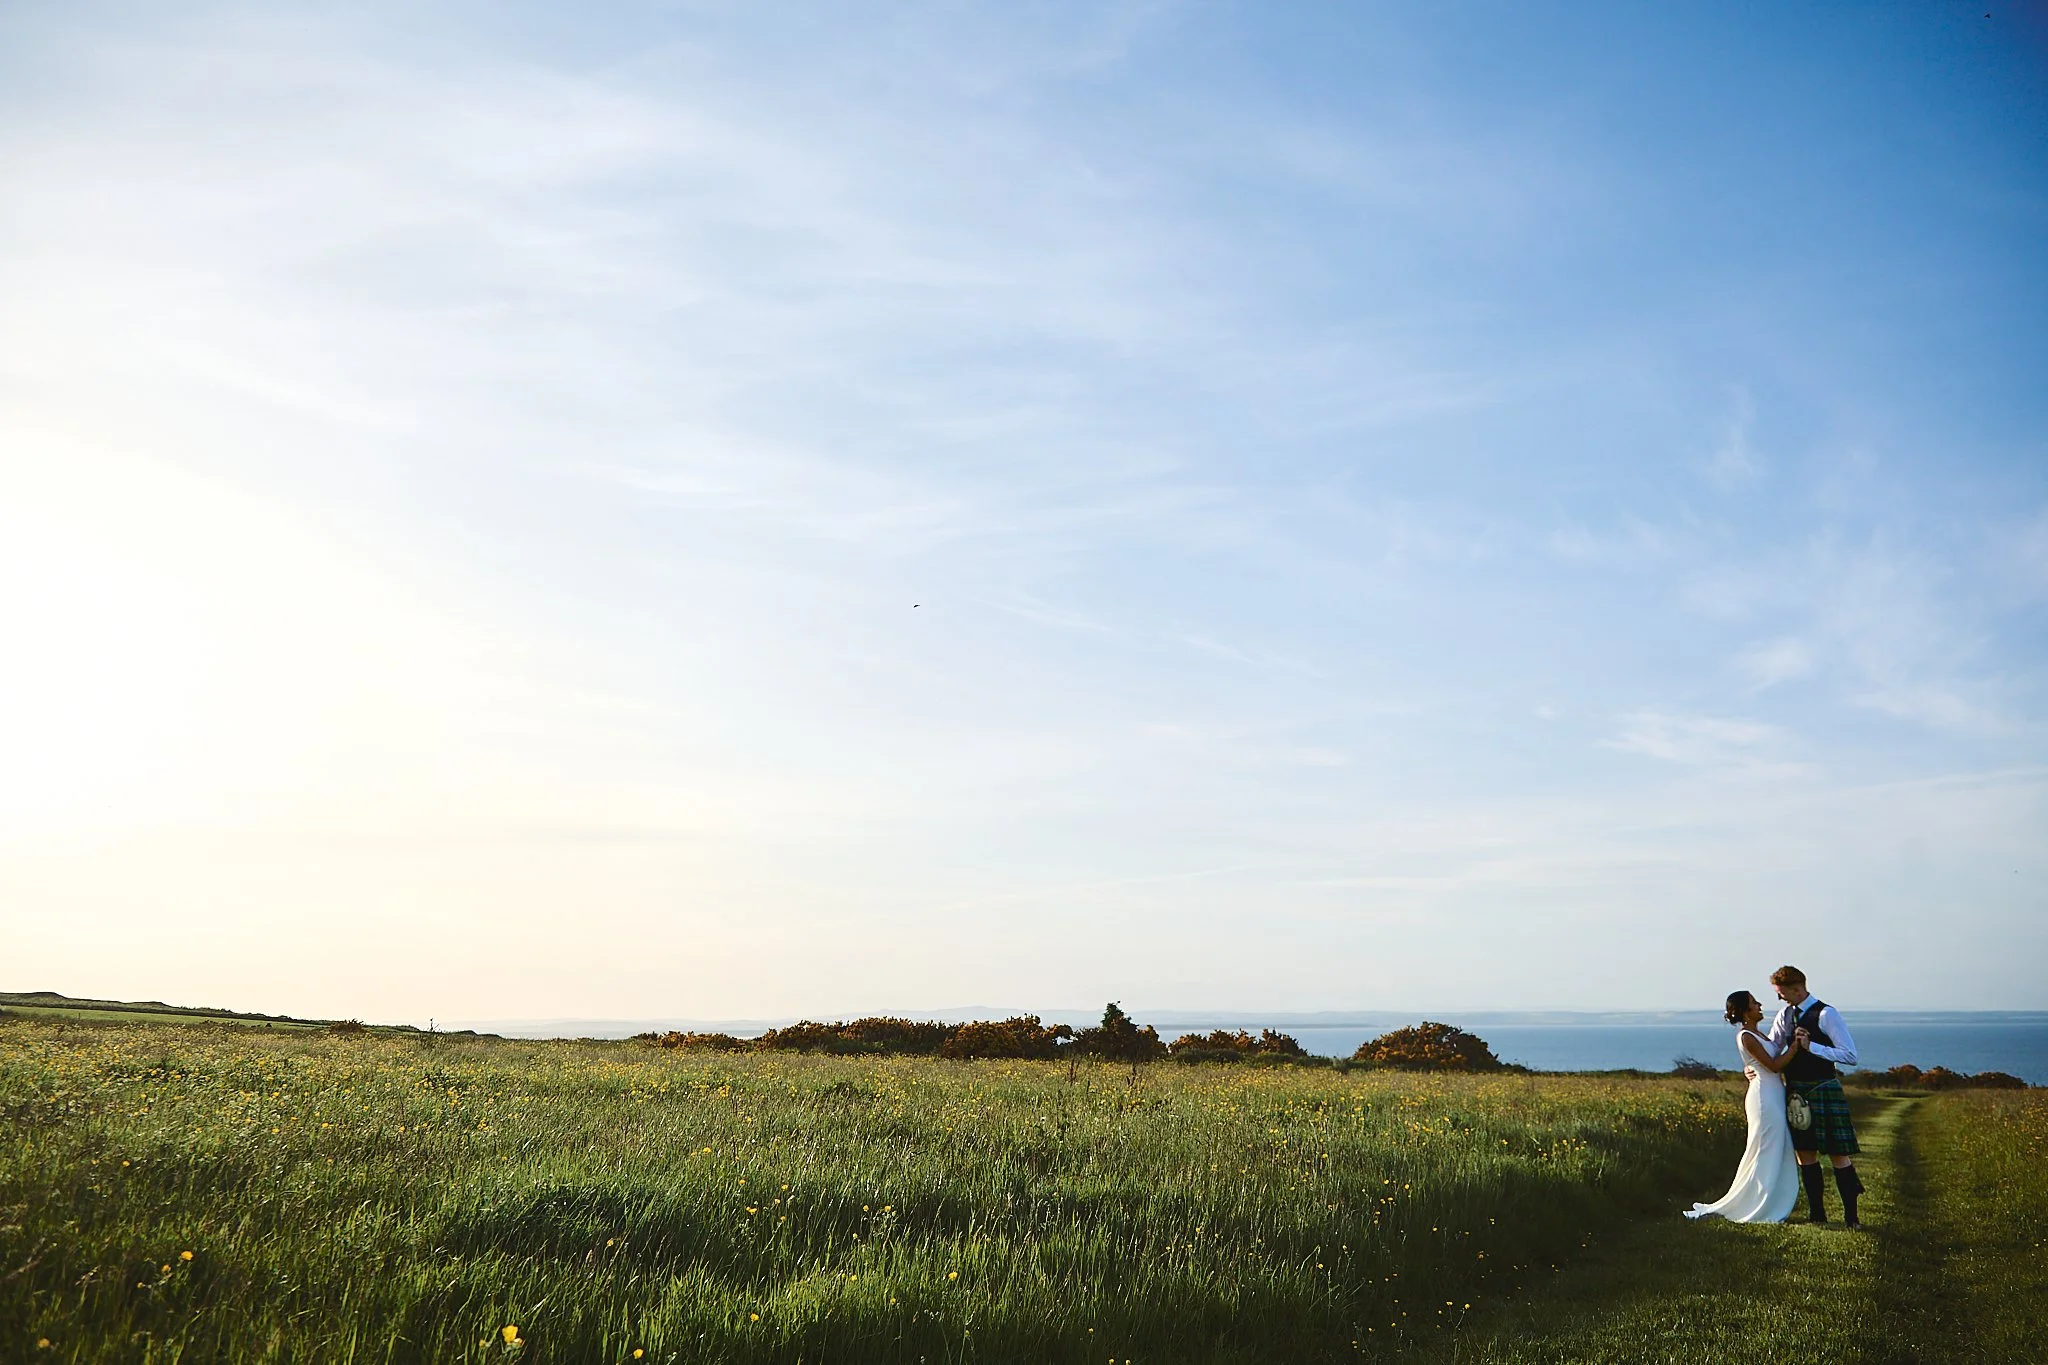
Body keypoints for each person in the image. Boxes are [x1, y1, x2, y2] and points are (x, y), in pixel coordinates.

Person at [1684, 989, 1802, 1222]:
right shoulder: (1746, 1036)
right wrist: (1796, 1048)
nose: (1759, 1005)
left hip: (1774, 1094)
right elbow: (1773, 1065)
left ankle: (1768, 1199)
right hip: (1763, 1098)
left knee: (1774, 1147)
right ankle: (1754, 1203)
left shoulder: (1759, 1035)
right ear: (1745, 1011)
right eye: (1754, 1003)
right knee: (1763, 1148)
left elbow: (1762, 1060)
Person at [1766, 964, 1863, 1227]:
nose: (1779, 998)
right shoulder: (1784, 1014)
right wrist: (1753, 1066)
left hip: (1823, 1088)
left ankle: (1851, 1217)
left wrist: (1812, 1047)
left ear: (1797, 989)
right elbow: (1774, 1049)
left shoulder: (1827, 1014)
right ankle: (1817, 1214)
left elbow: (1850, 1055)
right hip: (1796, 1090)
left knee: (1838, 1155)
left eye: (1781, 993)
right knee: (1805, 1154)